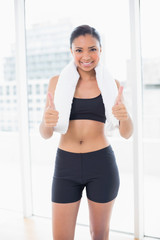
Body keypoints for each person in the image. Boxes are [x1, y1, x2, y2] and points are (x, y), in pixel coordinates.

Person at [39, 25, 133, 240]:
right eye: (79, 50)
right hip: (66, 165)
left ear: (101, 50)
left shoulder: (112, 85)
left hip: (101, 164)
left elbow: (127, 133)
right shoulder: (56, 82)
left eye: (92, 49)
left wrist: (124, 116)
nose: (86, 56)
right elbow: (45, 133)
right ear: (71, 51)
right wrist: (47, 122)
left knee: (99, 234)